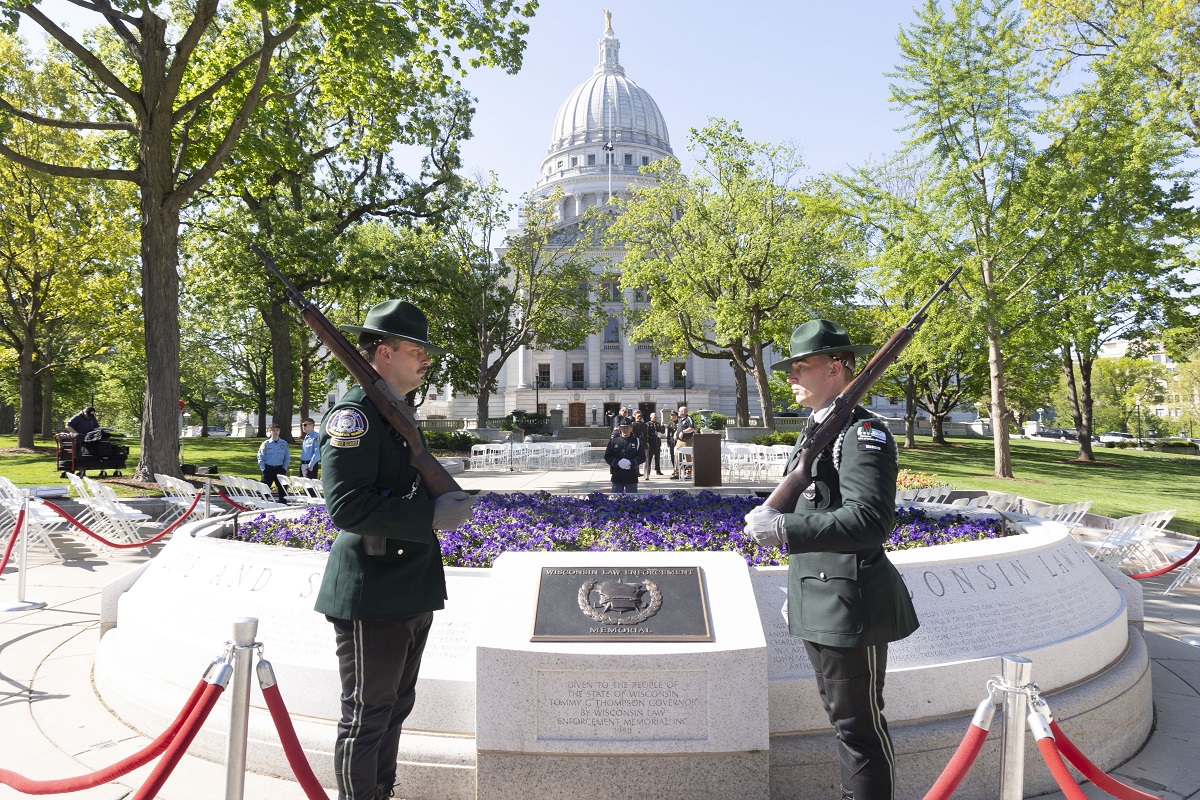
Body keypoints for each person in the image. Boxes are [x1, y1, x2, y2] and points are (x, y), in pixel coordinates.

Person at [742, 319, 919, 800]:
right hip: (819, 599)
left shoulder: (862, 433)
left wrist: (784, 529)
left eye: (801, 367)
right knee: (842, 720)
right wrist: (799, 583)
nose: (791, 377)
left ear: (837, 368)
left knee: (859, 727)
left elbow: (869, 521)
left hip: (848, 604)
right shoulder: (817, 430)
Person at [314, 299, 475, 800]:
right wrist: (428, 517)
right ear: (383, 353)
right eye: (416, 350)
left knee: (396, 705)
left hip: (409, 585)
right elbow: (346, 507)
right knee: (366, 713)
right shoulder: (356, 416)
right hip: (373, 589)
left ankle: (380, 791)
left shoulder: (397, 412)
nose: (427, 360)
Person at [604, 416, 644, 493]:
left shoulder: (636, 441)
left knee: (632, 500)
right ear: (619, 428)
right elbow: (607, 456)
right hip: (617, 475)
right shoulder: (613, 441)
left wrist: (631, 462)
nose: (625, 430)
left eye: (627, 427)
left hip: (631, 475)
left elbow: (642, 457)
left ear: (631, 428)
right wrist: (617, 462)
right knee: (616, 500)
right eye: (623, 427)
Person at [257, 424, 290, 502]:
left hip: (280, 469)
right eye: (273, 430)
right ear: (270, 432)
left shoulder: (284, 443)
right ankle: (263, 506)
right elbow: (260, 457)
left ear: (279, 431)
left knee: (283, 489)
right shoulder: (265, 444)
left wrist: (284, 469)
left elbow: (287, 457)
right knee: (264, 489)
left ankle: (283, 506)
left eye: (277, 430)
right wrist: (263, 469)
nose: (275, 432)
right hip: (268, 469)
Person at [670, 405, 695, 478]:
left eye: (679, 411)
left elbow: (692, 428)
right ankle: (677, 473)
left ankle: (688, 472)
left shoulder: (688, 419)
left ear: (683, 412)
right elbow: (678, 428)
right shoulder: (680, 419)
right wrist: (675, 434)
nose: (678, 412)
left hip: (687, 440)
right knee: (677, 456)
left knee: (687, 456)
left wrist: (683, 432)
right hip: (679, 441)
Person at [645, 412, 664, 477]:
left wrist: (662, 426)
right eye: (654, 417)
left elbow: (662, 431)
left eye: (656, 417)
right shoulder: (648, 424)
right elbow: (646, 434)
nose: (655, 418)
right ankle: (648, 470)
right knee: (649, 458)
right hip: (651, 443)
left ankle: (658, 470)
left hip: (657, 443)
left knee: (657, 458)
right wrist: (647, 442)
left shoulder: (658, 424)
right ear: (651, 417)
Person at [665, 409, 679, 473]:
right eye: (671, 416)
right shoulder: (670, 423)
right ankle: (675, 469)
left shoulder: (679, 423)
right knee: (672, 456)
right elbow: (668, 434)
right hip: (672, 442)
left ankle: (680, 469)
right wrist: (668, 441)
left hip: (678, 441)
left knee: (679, 456)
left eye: (672, 416)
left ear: (676, 416)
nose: (671, 417)